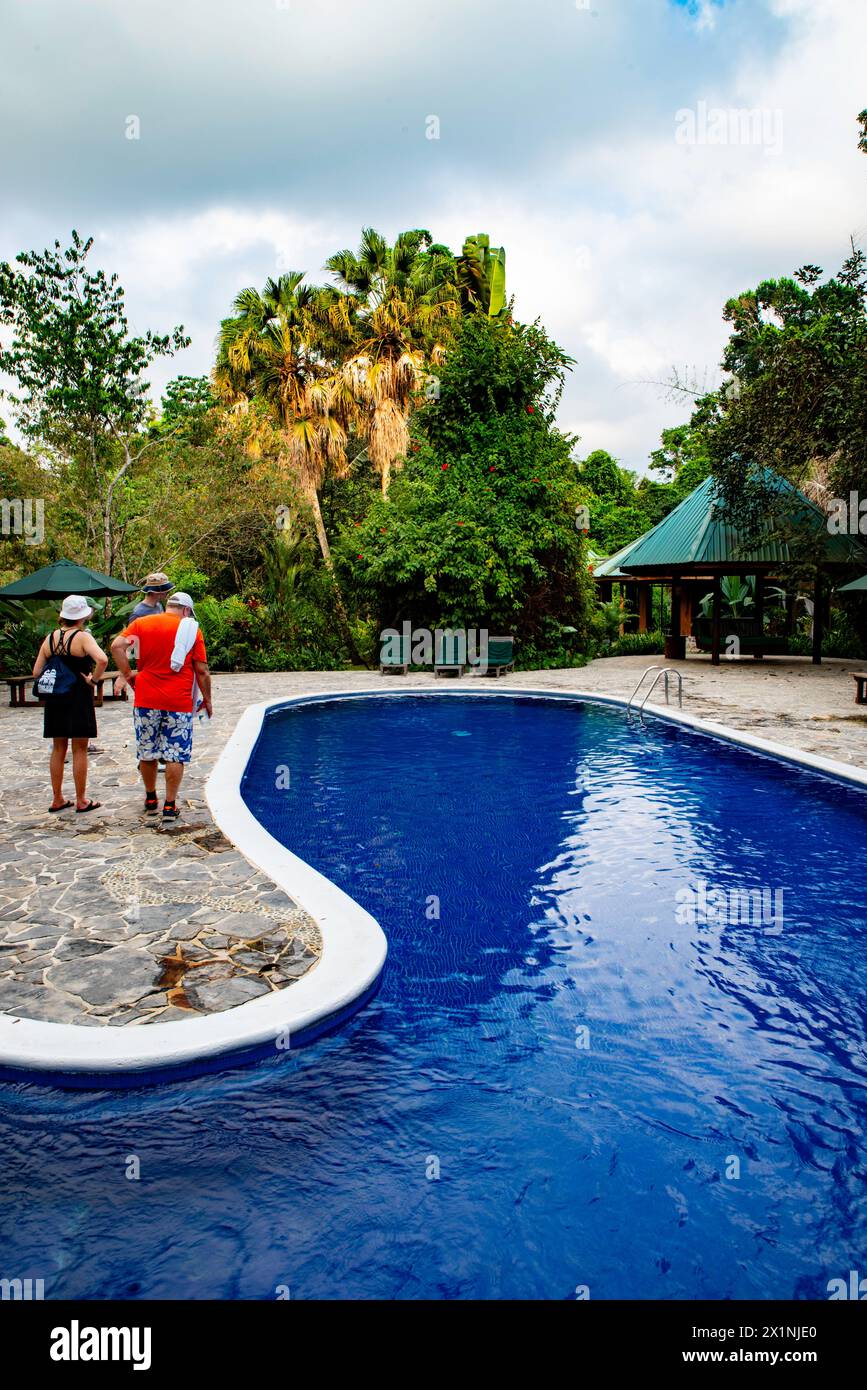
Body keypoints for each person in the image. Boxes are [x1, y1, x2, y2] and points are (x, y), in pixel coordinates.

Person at [111, 591, 212, 820]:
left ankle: (150, 798)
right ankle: (169, 806)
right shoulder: (191, 629)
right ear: (186, 610)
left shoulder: (141, 624)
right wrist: (207, 700)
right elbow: (202, 671)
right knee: (175, 754)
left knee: (147, 752)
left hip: (146, 698)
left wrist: (128, 675)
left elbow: (117, 646)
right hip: (178, 700)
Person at [32, 595, 108, 814]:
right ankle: (81, 799)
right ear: (82, 616)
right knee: (79, 749)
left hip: (56, 698)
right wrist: (93, 680)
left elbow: (37, 672)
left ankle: (57, 798)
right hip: (77, 695)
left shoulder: (50, 639)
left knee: (58, 748)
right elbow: (102, 659)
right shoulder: (82, 637)